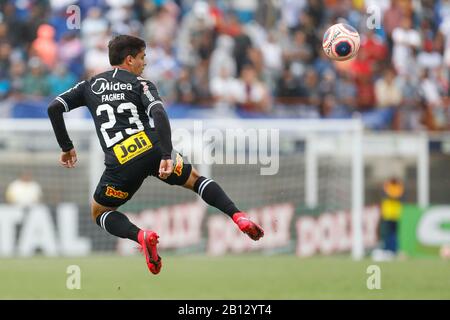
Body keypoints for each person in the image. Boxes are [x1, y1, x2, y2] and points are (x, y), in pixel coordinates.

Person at [47, 35, 264, 275]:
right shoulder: (142, 84)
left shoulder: (89, 85)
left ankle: (141, 236)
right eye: (142, 58)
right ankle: (238, 216)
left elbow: (54, 107)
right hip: (152, 149)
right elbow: (159, 114)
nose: (145, 63)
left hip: (121, 163)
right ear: (129, 60)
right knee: (196, 181)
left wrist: (66, 147)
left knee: (100, 212)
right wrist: (166, 154)